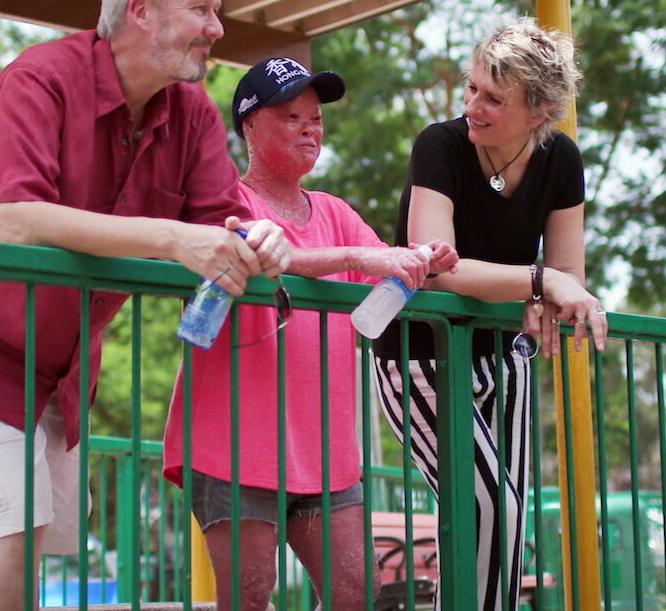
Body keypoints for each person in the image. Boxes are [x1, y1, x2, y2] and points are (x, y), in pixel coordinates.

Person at [0, 0, 290, 610]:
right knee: (14, 523)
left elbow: (221, 226)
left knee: (41, 535)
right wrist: (172, 239)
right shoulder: (39, 78)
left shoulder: (193, 114)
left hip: (63, 360)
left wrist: (260, 239)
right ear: (141, 11)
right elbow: (12, 221)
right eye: (202, 10)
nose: (218, 28)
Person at [161, 57, 458, 611]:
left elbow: (387, 272)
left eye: (316, 118)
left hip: (324, 450)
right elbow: (261, 256)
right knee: (249, 596)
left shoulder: (336, 212)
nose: (309, 129)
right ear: (249, 126)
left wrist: (424, 261)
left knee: (357, 592)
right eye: (290, 116)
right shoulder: (226, 200)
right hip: (235, 441)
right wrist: (359, 257)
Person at [372, 22, 608, 611]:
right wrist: (539, 282)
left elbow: (568, 276)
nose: (473, 105)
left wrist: (549, 285)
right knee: (487, 508)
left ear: (539, 111)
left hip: (506, 356)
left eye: (494, 99)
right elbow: (438, 266)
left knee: (507, 522)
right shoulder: (439, 145)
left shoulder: (561, 159)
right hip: (420, 356)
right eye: (472, 88)